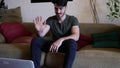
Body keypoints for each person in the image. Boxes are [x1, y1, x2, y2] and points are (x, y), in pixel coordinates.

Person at [31, 0, 80, 68]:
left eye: (60, 8)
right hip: (53, 46)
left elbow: (76, 36)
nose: (58, 11)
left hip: (65, 46)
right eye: (56, 8)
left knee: (72, 43)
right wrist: (39, 30)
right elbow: (41, 35)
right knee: (36, 41)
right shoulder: (51, 20)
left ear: (66, 7)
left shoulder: (72, 19)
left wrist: (61, 40)